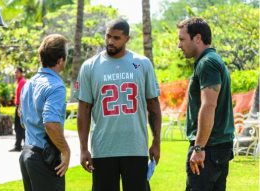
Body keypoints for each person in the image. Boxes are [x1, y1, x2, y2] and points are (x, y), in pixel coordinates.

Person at [73, 18, 162, 191]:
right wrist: (83, 148)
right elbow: (84, 109)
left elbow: (153, 104)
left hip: (135, 147)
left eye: (116, 38)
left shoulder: (142, 63)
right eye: (108, 36)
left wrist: (156, 142)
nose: (110, 41)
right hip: (103, 148)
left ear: (127, 39)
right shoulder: (89, 66)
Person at [176, 17, 235, 191]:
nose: (179, 45)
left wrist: (199, 147)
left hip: (209, 148)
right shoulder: (212, 60)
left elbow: (209, 105)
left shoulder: (207, 63)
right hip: (217, 147)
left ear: (198, 38)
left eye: (181, 39)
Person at [19, 34, 70, 191]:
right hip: (44, 160)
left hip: (27, 155)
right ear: (60, 60)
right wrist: (66, 151)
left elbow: (23, 123)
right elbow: (50, 122)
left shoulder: (28, 85)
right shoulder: (56, 86)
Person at [9, 67, 26, 152]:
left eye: (17, 72)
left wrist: (20, 109)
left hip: (20, 106)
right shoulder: (19, 82)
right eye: (15, 73)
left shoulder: (22, 82)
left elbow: (22, 96)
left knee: (19, 127)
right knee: (19, 127)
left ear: (22, 73)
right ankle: (20, 145)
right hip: (19, 106)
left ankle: (19, 146)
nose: (15, 74)